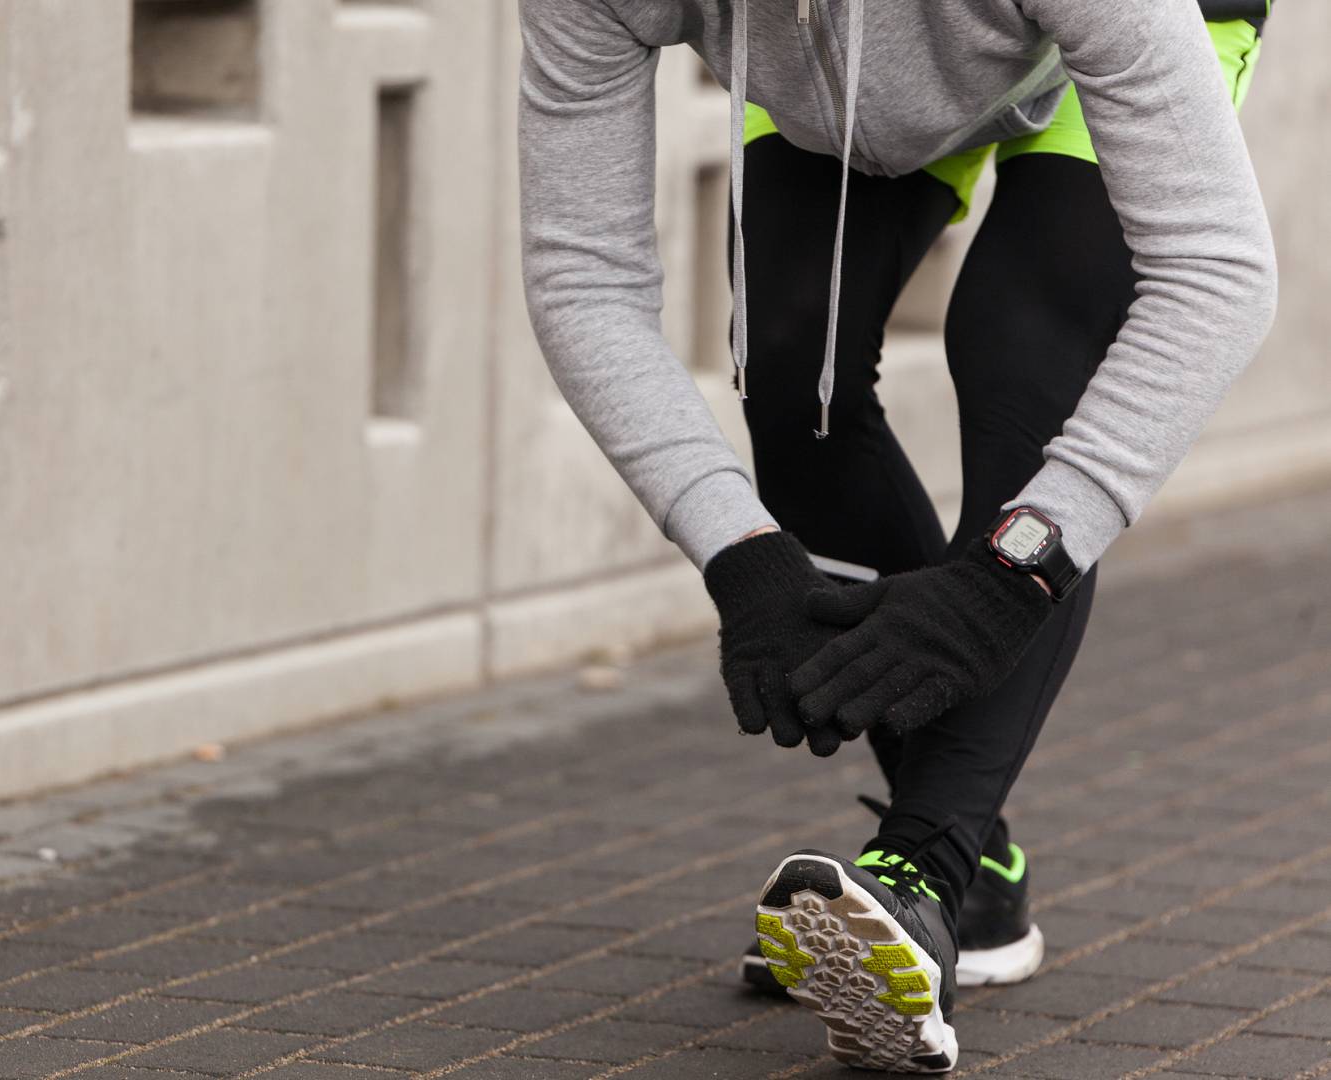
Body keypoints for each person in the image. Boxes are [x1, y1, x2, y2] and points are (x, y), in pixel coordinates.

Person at [518, 0, 1277, 1073]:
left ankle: (927, 868)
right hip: (851, 87)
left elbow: (1220, 274)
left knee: (1022, 362)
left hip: (1129, 28)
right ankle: (981, 875)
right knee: (793, 372)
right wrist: (738, 552)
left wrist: (1010, 583)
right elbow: (581, 277)